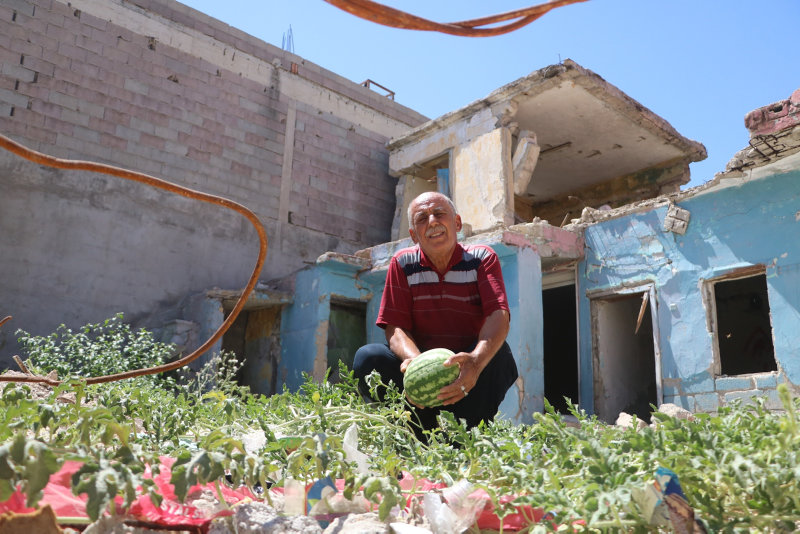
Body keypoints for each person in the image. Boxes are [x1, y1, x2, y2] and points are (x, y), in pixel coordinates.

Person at [353, 191, 518, 436]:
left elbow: (498, 316)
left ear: (457, 223)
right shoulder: (402, 264)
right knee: (369, 358)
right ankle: (415, 433)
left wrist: (474, 362)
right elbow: (395, 328)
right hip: (419, 388)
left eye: (439, 214)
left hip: (468, 380)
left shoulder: (482, 258)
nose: (432, 222)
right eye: (422, 218)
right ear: (413, 235)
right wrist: (416, 365)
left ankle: (466, 437)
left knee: (499, 356)